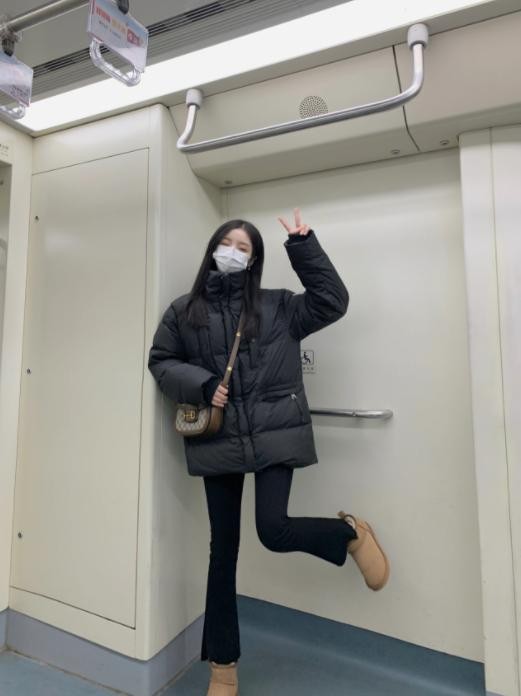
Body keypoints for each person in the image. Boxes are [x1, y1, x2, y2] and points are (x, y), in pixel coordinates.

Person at [147, 208, 390, 696]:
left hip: (275, 433)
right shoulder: (184, 311)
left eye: (244, 248)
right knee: (223, 551)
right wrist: (204, 384)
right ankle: (223, 669)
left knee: (273, 530)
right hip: (218, 439)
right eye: (227, 244)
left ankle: (350, 533)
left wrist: (304, 245)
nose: (233, 253)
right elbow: (161, 361)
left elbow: (333, 301)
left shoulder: (279, 307)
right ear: (212, 249)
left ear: (254, 260)